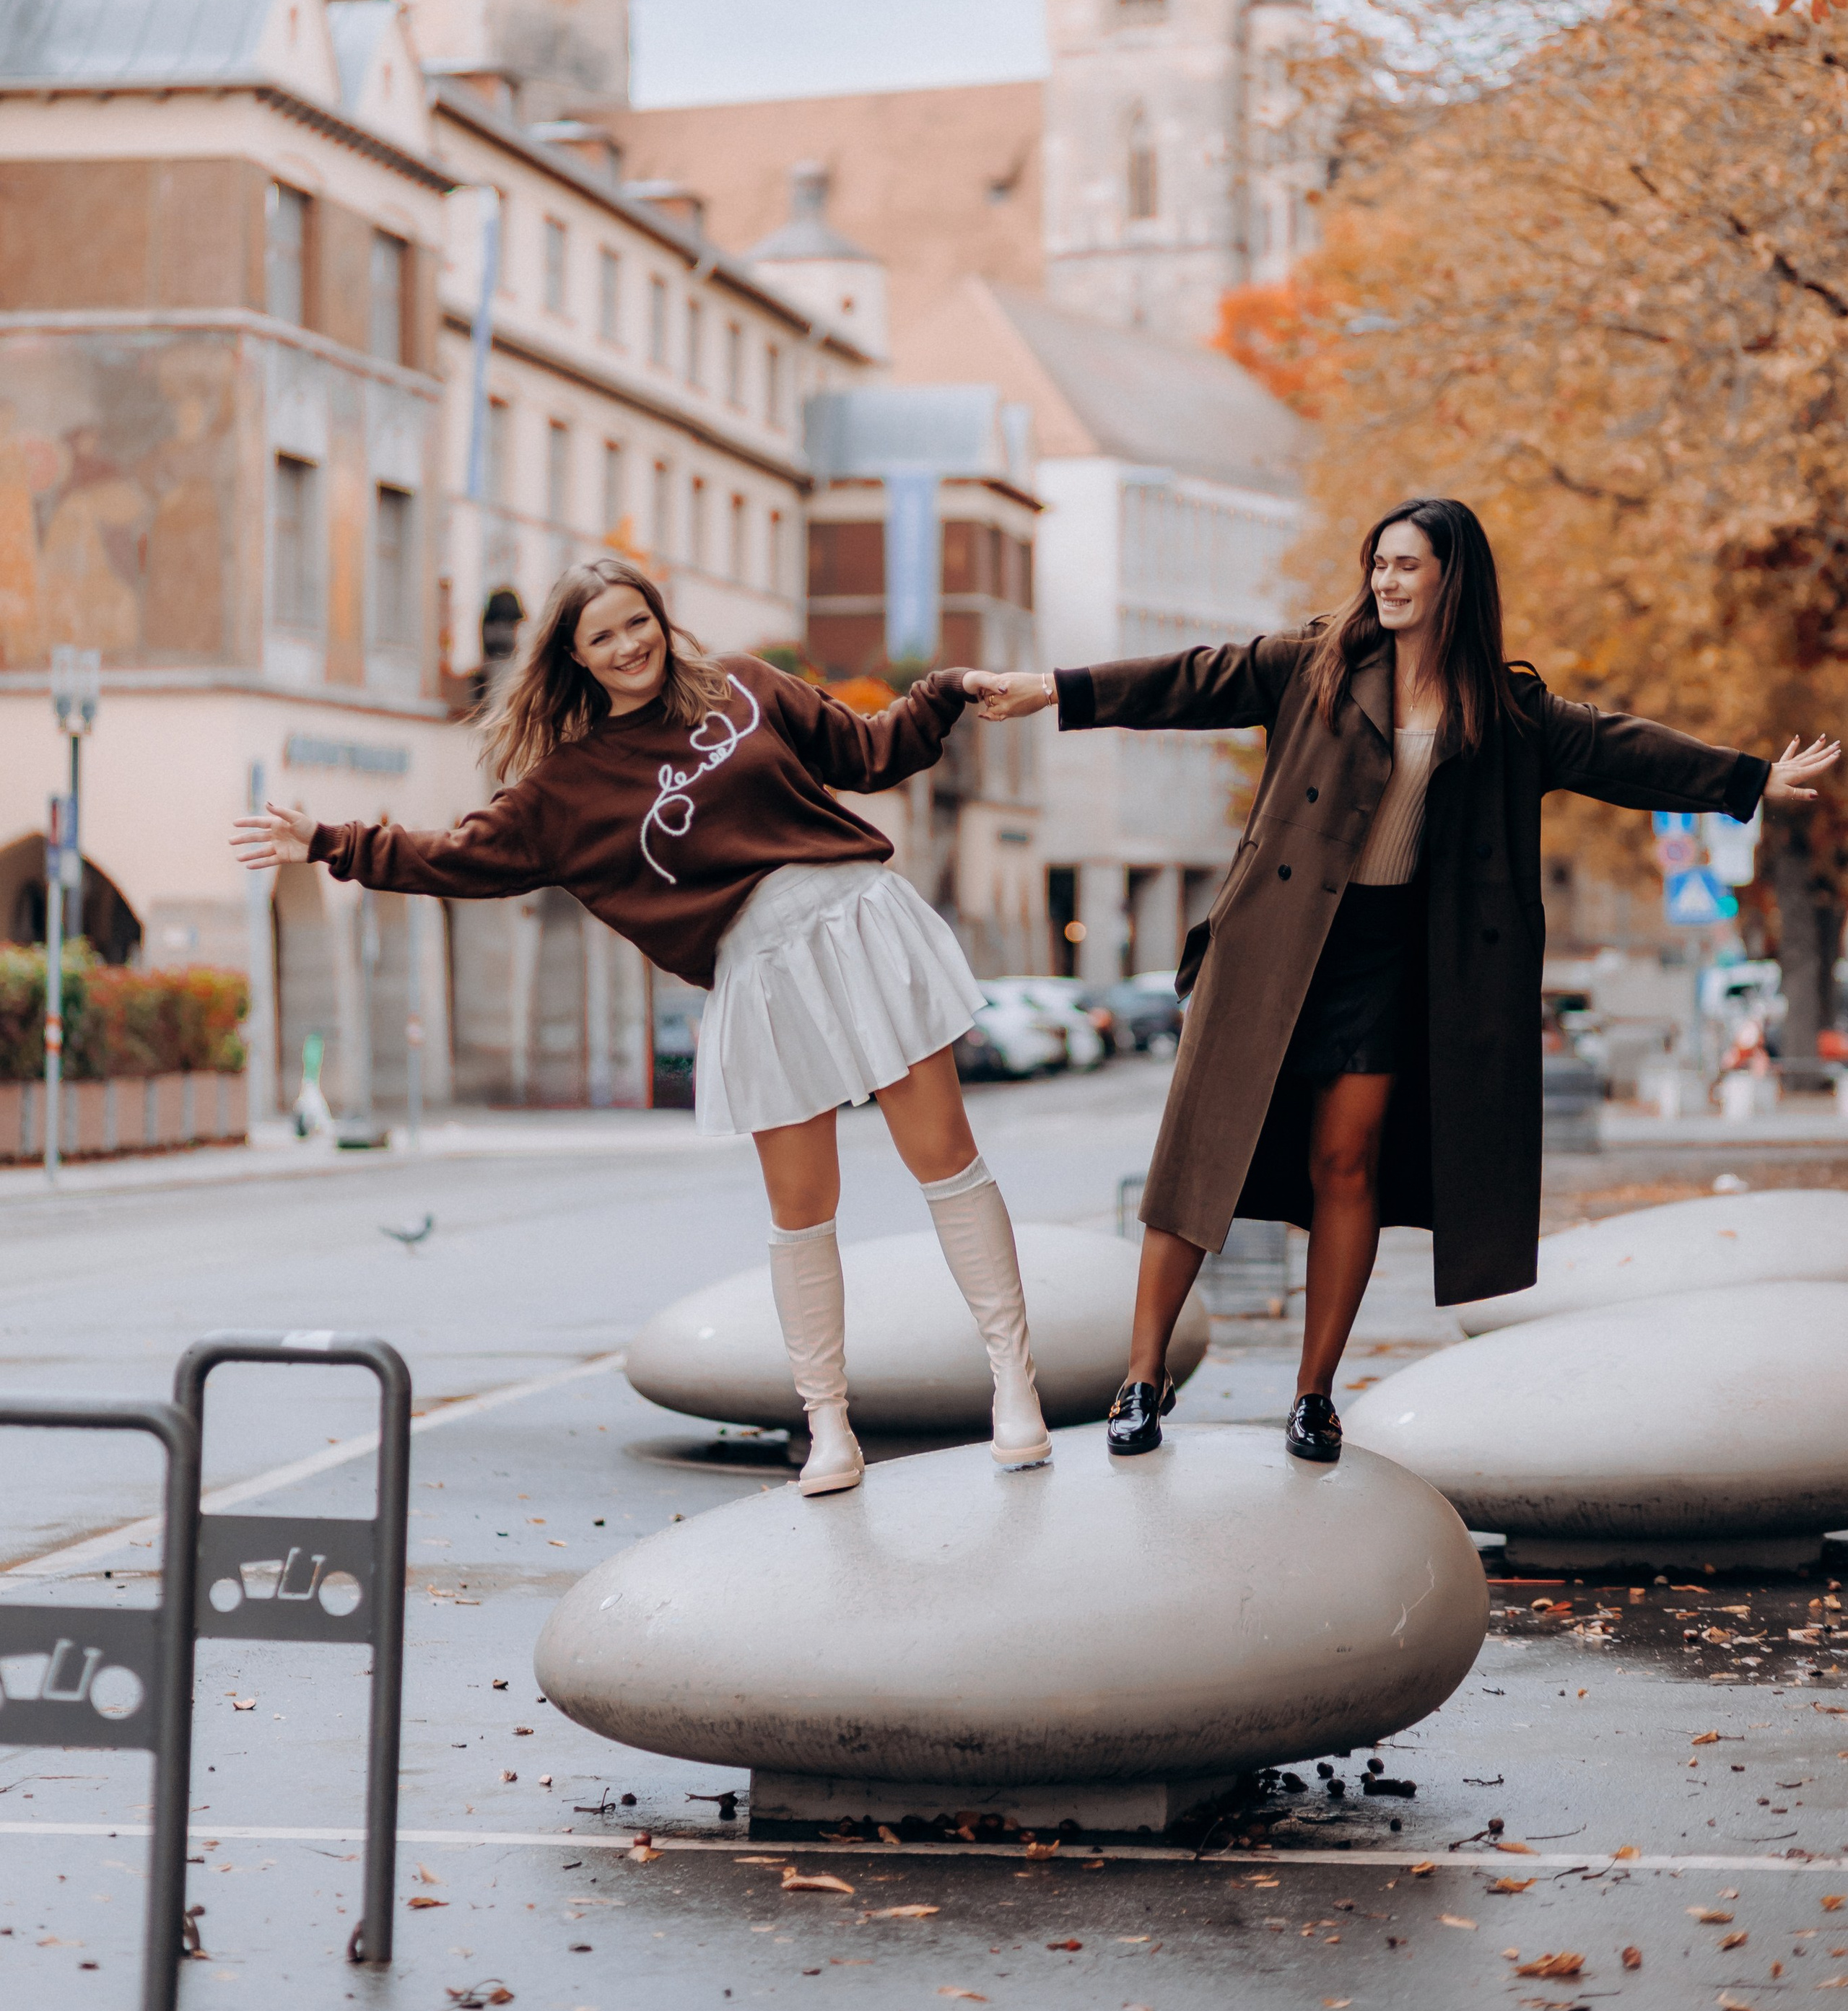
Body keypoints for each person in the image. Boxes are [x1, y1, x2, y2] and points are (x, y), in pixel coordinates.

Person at [972, 497, 1838, 1465]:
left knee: (1349, 1164)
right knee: (1199, 1161)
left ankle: (1312, 1395)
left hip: (1389, 959)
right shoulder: (1315, 662)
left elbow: (1615, 749)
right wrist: (1051, 688)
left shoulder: (1503, 710)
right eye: (1378, 562)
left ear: (1451, 577)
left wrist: (1749, 779)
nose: (1385, 580)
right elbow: (1191, 679)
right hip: (1277, 944)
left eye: (1407, 565)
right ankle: (1143, 1379)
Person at [230, 556, 1051, 1498]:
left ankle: (1014, 1392)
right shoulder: (569, 790)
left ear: (661, 619)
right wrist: (331, 842)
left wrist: (943, 694)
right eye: (602, 637)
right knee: (799, 1207)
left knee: (945, 1156)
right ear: (574, 660)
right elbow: (459, 855)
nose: (629, 646)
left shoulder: (745, 687)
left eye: (637, 623)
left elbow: (868, 754)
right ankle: (828, 1426)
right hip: (756, 971)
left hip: (853, 919)